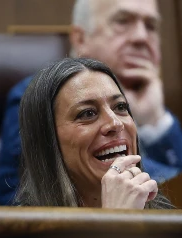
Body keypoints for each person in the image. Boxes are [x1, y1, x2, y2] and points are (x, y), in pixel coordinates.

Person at [0, 0, 182, 205]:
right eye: (122, 22)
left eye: (121, 107)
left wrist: (155, 121)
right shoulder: (36, 96)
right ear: (81, 38)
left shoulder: (147, 101)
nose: (141, 37)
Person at [16, 57, 173, 209]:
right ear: (47, 138)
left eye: (120, 107)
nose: (116, 123)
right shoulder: (17, 228)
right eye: (88, 113)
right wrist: (118, 224)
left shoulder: (168, 220)